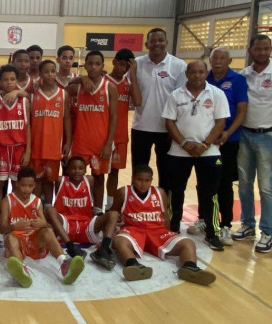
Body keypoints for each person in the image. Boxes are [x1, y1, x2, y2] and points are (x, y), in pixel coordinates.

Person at [232, 35, 272, 253]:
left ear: (271, 49)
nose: (262, 52)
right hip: (245, 135)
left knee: (267, 187)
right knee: (245, 183)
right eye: (258, 48)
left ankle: (268, 231)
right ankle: (248, 224)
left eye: (266, 48)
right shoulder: (243, 75)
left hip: (270, 137)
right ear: (250, 50)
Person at [110, 165, 216, 286]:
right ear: (133, 179)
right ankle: (133, 265)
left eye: (147, 180)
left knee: (188, 242)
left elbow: (165, 216)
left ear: (151, 180)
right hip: (133, 230)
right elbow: (113, 214)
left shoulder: (160, 193)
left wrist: (169, 235)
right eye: (139, 180)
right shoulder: (123, 192)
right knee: (120, 241)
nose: (143, 184)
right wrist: (111, 236)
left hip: (157, 231)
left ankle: (190, 268)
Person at [162, 60, 230, 251]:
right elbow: (169, 122)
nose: (197, 75)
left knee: (210, 194)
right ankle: (173, 229)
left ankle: (212, 232)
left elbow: (220, 123)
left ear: (206, 73)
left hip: (209, 152)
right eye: (193, 72)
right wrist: (184, 143)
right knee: (175, 192)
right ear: (186, 73)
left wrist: (205, 144)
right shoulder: (175, 95)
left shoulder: (217, 94)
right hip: (178, 152)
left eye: (201, 72)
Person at [188, 47, 247, 246]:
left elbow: (241, 111)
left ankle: (226, 225)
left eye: (223, 58)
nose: (219, 61)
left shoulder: (238, 80)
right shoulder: (204, 79)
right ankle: (204, 219)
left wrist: (227, 134)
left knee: (224, 184)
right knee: (202, 182)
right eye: (215, 58)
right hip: (204, 142)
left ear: (230, 60)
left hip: (227, 141)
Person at [0, 167, 85, 288]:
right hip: (16, 240)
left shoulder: (37, 201)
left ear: (34, 185)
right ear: (17, 183)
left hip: (33, 240)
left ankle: (64, 265)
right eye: (23, 185)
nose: (26, 189)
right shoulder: (7, 200)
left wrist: (43, 224)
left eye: (30, 186)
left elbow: (47, 225)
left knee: (48, 231)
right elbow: (1, 229)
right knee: (9, 239)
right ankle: (22, 270)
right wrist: (14, 226)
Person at [132, 28, 187, 191]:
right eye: (153, 41)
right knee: (139, 170)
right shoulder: (137, 63)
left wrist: (175, 129)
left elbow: (181, 99)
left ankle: (163, 209)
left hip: (167, 128)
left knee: (167, 172)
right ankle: (136, 207)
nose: (157, 44)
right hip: (141, 127)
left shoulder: (178, 65)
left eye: (160, 40)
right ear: (146, 44)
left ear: (166, 42)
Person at [44, 156, 119, 270]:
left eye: (80, 168)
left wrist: (98, 213)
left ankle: (103, 249)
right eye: (73, 168)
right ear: (67, 169)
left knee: (113, 214)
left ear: (85, 170)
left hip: (86, 225)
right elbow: (47, 183)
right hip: (65, 225)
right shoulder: (60, 180)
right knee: (49, 210)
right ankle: (70, 247)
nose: (77, 171)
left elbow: (98, 193)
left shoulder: (90, 180)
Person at [0, 65, 31, 235]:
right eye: (5, 79)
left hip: (19, 149)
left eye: (12, 79)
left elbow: (28, 128)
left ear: (17, 81)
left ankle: (14, 215)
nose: (9, 82)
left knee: (16, 185)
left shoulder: (24, 101)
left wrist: (28, 151)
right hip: (1, 148)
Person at [71, 51, 118, 211]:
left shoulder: (110, 88)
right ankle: (78, 208)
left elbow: (113, 118)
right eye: (90, 63)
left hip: (100, 143)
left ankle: (98, 211)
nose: (93, 67)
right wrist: (81, 78)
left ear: (103, 66)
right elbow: (61, 89)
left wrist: (108, 144)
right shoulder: (78, 86)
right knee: (76, 178)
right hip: (80, 142)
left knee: (99, 178)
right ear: (85, 65)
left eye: (97, 64)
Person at [104, 49, 142, 210]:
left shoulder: (129, 83)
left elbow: (138, 102)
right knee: (97, 174)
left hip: (120, 135)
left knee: (114, 172)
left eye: (126, 67)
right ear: (113, 61)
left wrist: (133, 75)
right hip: (101, 134)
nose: (122, 69)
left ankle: (111, 205)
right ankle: (94, 204)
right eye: (120, 65)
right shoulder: (103, 81)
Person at [30, 60, 71, 204]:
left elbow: (67, 120)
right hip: (36, 144)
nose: (50, 74)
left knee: (50, 180)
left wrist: (68, 142)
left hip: (54, 145)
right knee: (37, 179)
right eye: (46, 71)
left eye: (53, 71)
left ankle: (48, 206)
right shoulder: (33, 94)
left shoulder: (63, 94)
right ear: (40, 74)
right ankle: (36, 206)